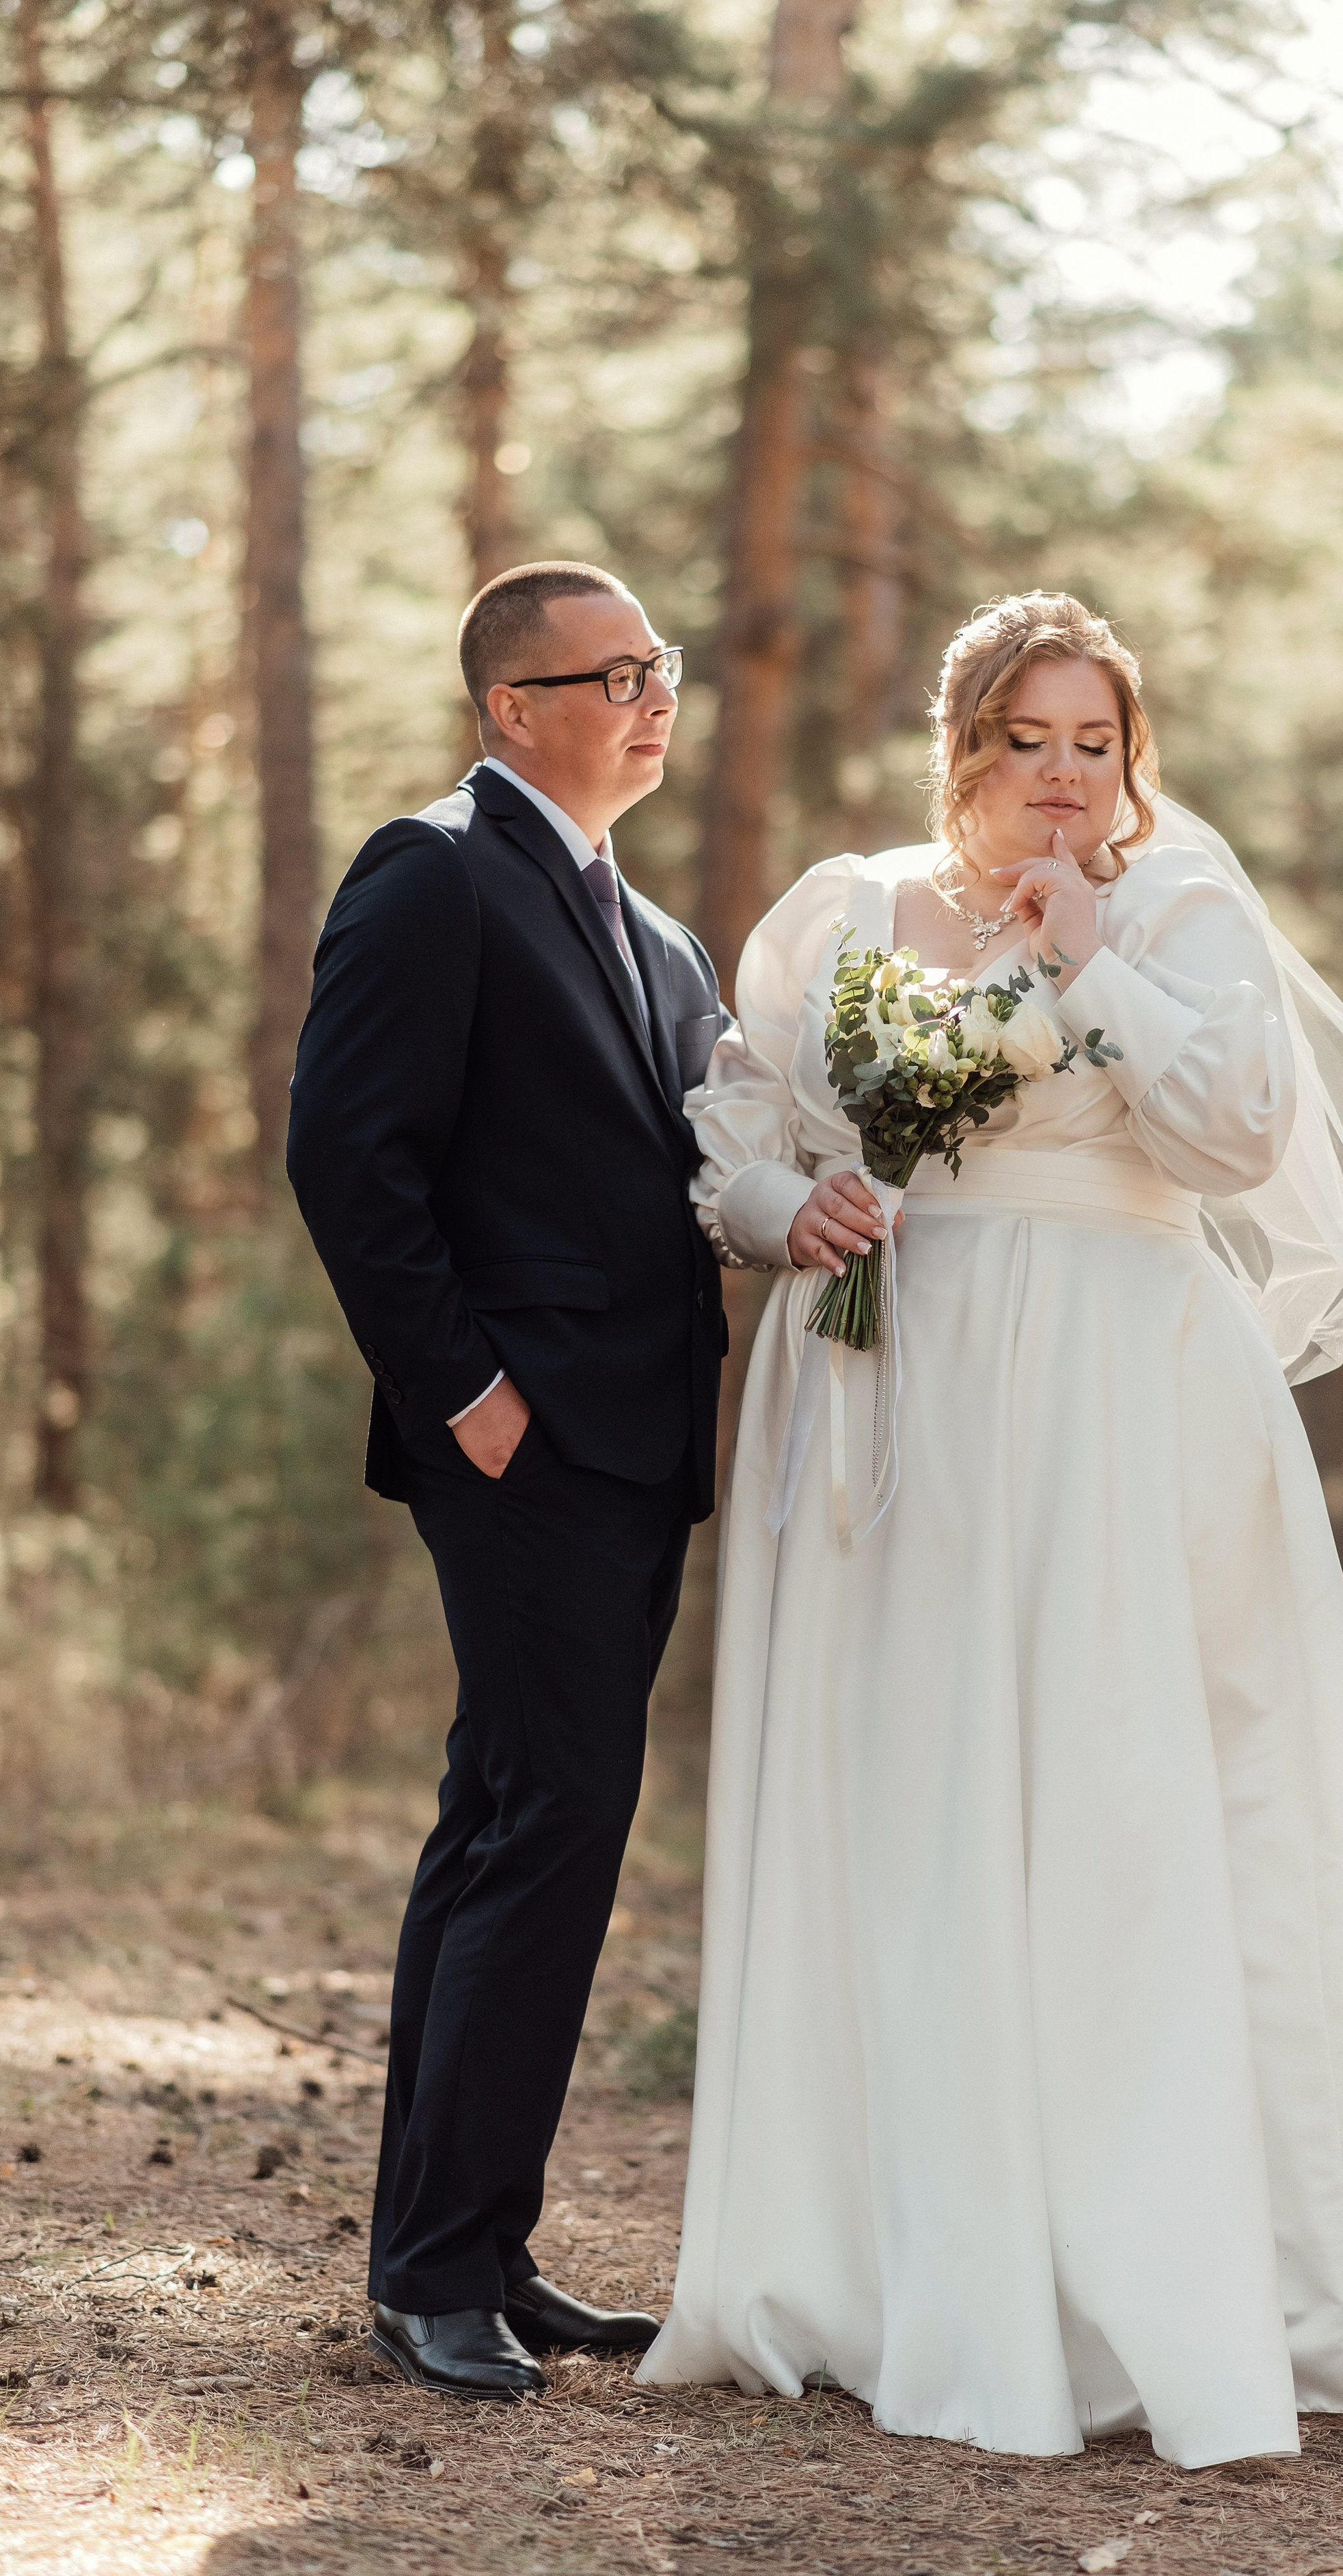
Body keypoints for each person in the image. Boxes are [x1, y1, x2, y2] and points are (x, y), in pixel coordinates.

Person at [638, 592, 1343, 2463]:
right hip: (885, 1386)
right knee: (906, 1791)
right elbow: (741, 1123)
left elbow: (1238, 1138)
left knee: (1120, 1791)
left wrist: (1094, 962)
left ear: (1133, 757)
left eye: (1094, 743)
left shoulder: (1181, 907)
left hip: (1115, 1395)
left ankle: (1142, 2275)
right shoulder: (845, 908)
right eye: (1024, 739)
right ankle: (882, 2262)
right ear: (960, 747)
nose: (1060, 776)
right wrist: (787, 1211)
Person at [287, 560, 728, 2403]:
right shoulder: (433, 871)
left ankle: (472, 2248)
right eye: (609, 673)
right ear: (509, 708)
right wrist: (464, 1390)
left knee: (511, 1821)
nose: (651, 694)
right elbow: (346, 1152)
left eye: (658, 665)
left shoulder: (660, 936)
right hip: (522, 1440)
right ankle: (432, 2273)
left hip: (640, 1445)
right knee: (545, 1820)